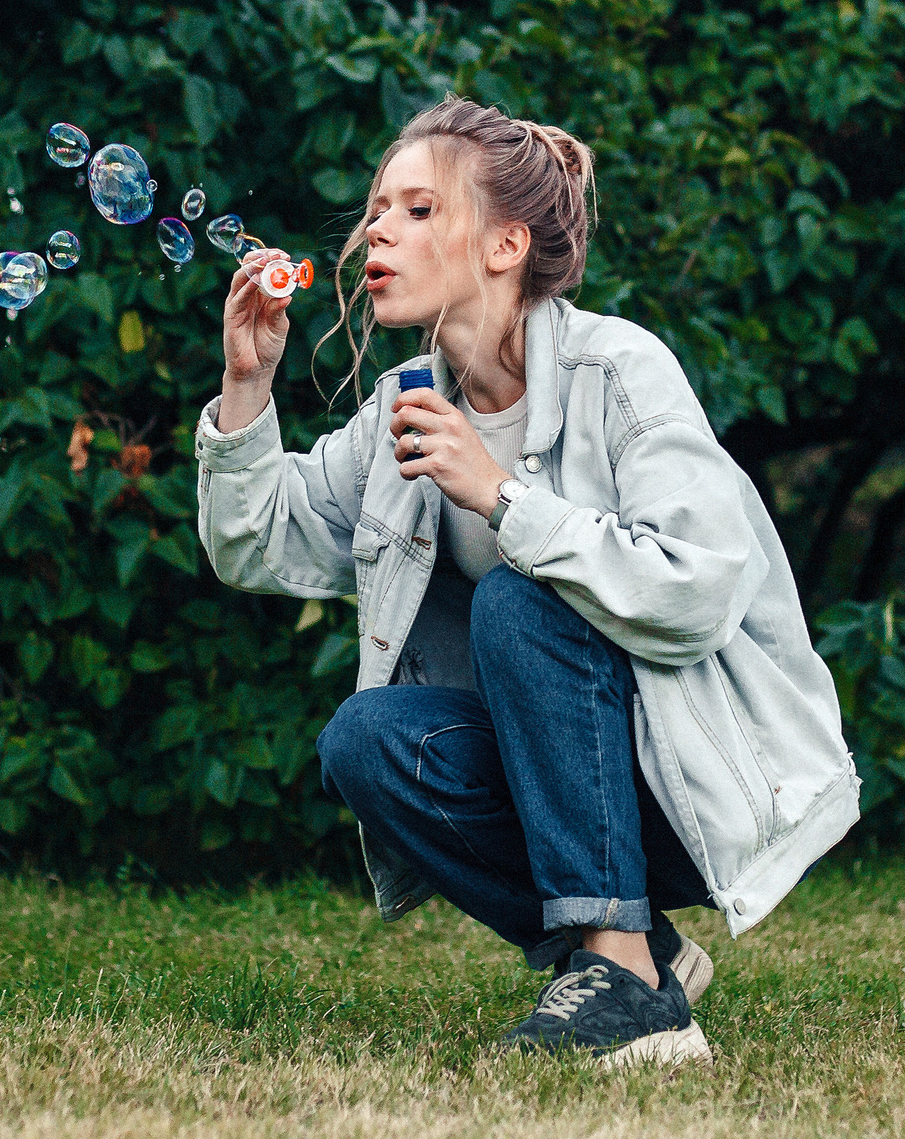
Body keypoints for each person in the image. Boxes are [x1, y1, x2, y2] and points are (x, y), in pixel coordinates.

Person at [194, 97, 861, 1067]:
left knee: (519, 596)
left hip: (688, 783)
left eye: (418, 210)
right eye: (377, 207)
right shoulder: (406, 409)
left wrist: (503, 501)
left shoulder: (617, 370)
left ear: (506, 245)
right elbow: (256, 544)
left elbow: (699, 591)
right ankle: (637, 952)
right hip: (563, 796)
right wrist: (246, 385)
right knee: (366, 740)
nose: (377, 226)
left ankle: (627, 981)